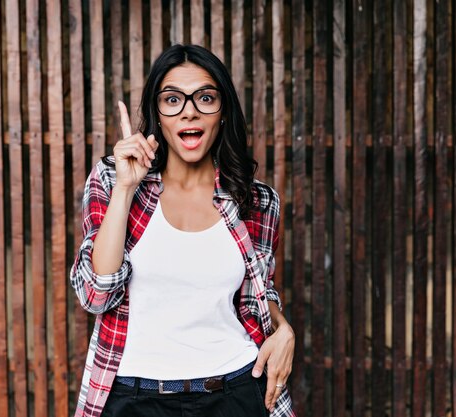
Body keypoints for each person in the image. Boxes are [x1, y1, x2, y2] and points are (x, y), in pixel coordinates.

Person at [71, 44, 296, 417]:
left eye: (205, 97)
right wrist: (126, 188)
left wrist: (284, 327)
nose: (189, 110)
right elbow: (96, 295)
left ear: (222, 112)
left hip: (234, 392)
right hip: (133, 398)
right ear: (157, 114)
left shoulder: (257, 200)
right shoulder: (113, 180)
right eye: (173, 99)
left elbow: (259, 292)